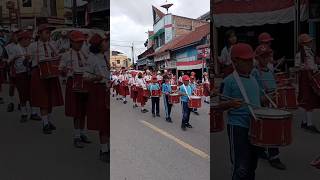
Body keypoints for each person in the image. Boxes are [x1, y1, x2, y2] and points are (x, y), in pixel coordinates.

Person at [220, 43, 264, 180]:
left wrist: (267, 99)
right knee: (240, 166)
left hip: (254, 126)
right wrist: (229, 104)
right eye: (246, 60)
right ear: (235, 61)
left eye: (251, 60)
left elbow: (257, 100)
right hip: (238, 126)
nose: (250, 63)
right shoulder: (229, 81)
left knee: (252, 164)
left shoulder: (254, 79)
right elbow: (220, 105)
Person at [251, 44, 286, 170]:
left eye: (268, 56)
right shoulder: (254, 72)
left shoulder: (270, 70)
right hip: (261, 103)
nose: (266, 59)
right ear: (258, 58)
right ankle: (273, 156)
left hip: (271, 103)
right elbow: (254, 89)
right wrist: (262, 97)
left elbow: (273, 85)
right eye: (263, 57)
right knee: (267, 129)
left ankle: (267, 153)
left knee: (271, 128)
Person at [28, 24, 64, 134]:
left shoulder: (52, 44)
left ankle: (49, 120)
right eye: (46, 32)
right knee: (43, 99)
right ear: (39, 34)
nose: (48, 34)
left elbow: (57, 57)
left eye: (49, 32)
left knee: (50, 99)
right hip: (39, 73)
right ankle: (45, 124)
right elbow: (28, 61)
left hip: (52, 74)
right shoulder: (33, 46)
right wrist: (27, 60)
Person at [59, 30, 91, 147]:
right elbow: (61, 69)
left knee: (83, 110)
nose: (80, 44)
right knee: (76, 111)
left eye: (81, 42)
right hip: (73, 83)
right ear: (71, 42)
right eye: (77, 42)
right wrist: (64, 71)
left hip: (84, 83)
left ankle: (83, 133)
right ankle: (76, 135)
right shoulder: (66, 55)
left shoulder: (85, 54)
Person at [84, 33, 109, 162]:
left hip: (107, 91)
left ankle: (108, 147)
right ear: (99, 45)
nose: (107, 43)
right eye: (105, 41)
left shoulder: (105, 56)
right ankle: (103, 150)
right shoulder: (92, 58)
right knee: (103, 122)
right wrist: (95, 77)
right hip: (99, 91)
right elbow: (85, 76)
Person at [9, 30, 41, 122]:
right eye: (27, 39)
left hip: (30, 73)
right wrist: (16, 58)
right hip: (21, 74)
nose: (29, 41)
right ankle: (24, 114)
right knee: (23, 95)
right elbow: (9, 61)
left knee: (32, 94)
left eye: (29, 39)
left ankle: (33, 113)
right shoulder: (15, 49)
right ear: (21, 40)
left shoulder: (30, 48)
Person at [295, 33, 320, 133]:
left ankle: (305, 122)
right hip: (306, 77)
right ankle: (309, 124)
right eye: (308, 41)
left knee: (307, 99)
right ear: (303, 43)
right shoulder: (301, 53)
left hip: (308, 76)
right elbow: (299, 67)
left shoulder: (309, 52)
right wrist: (309, 70)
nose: (310, 42)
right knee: (308, 100)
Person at [5, 29, 21, 112]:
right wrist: (9, 61)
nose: (17, 36)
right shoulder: (7, 47)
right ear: (12, 36)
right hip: (12, 70)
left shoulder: (22, 45)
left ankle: (20, 103)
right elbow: (4, 58)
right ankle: (11, 103)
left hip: (21, 70)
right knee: (12, 87)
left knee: (20, 87)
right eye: (15, 35)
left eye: (18, 35)